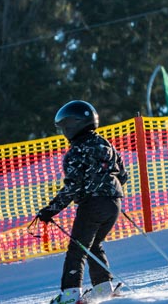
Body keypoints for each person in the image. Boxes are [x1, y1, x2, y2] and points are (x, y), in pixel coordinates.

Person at [36, 101, 128, 304]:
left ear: (72, 125)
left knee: (77, 249)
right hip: (113, 203)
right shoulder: (105, 144)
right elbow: (123, 175)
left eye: (63, 127)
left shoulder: (76, 152)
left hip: (92, 205)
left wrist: (50, 210)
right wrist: (110, 193)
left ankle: (70, 295)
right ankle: (104, 289)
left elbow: (73, 187)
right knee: (93, 244)